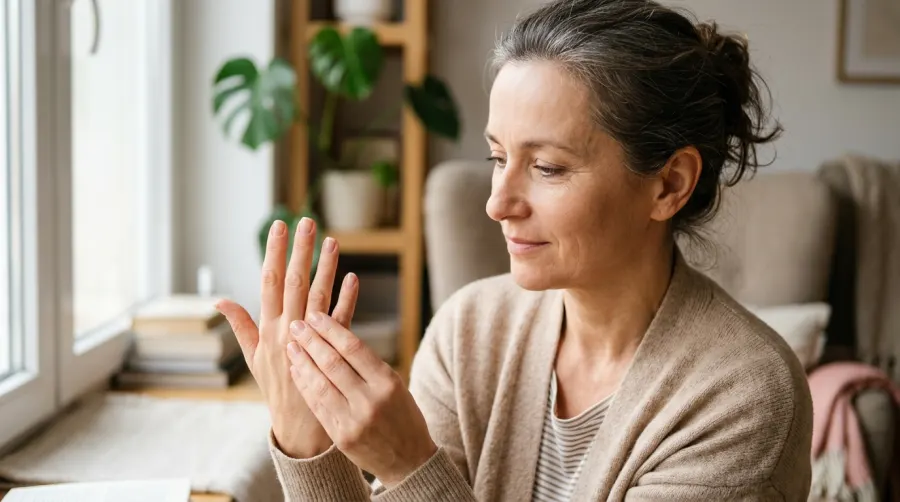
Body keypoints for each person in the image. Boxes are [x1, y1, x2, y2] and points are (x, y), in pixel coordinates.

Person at [216, 0, 814, 500]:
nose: (497, 204)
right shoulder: (468, 330)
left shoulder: (745, 398)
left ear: (669, 184)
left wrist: (408, 468)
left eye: (548, 167)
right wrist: (307, 445)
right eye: (498, 157)